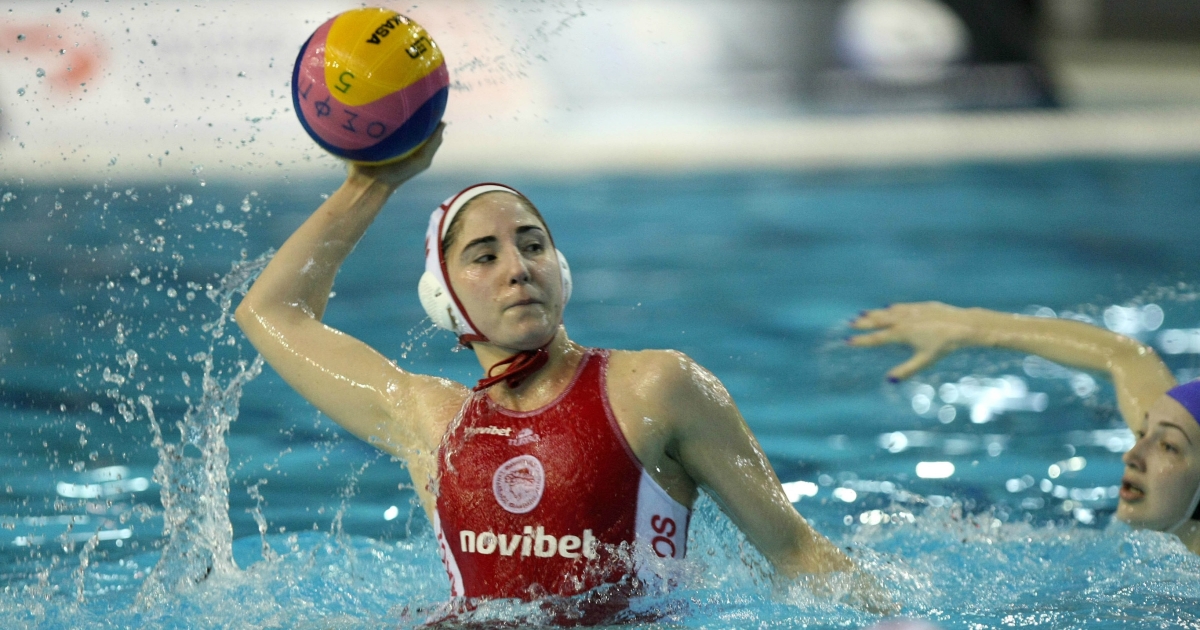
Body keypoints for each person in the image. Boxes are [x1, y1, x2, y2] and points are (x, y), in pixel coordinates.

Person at [235, 125, 886, 614]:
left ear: (561, 270)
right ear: (443, 298)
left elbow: (798, 554)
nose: (518, 268)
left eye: (533, 245)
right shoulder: (431, 424)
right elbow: (271, 312)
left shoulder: (654, 389)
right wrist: (370, 184)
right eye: (484, 256)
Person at [848, 301, 1200, 552]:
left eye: (1168, 446)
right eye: (1141, 432)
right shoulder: (1184, 423)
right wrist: (966, 326)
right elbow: (1125, 357)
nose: (1132, 456)